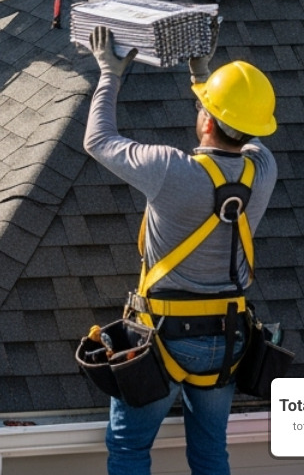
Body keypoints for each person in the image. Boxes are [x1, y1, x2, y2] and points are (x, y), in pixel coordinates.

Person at [84, 26, 279, 475]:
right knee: (210, 454)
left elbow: (98, 140)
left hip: (161, 336)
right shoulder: (263, 172)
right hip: (228, 342)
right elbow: (245, 133)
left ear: (206, 120)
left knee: (130, 449)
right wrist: (203, 78)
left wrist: (109, 74)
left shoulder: (171, 171)